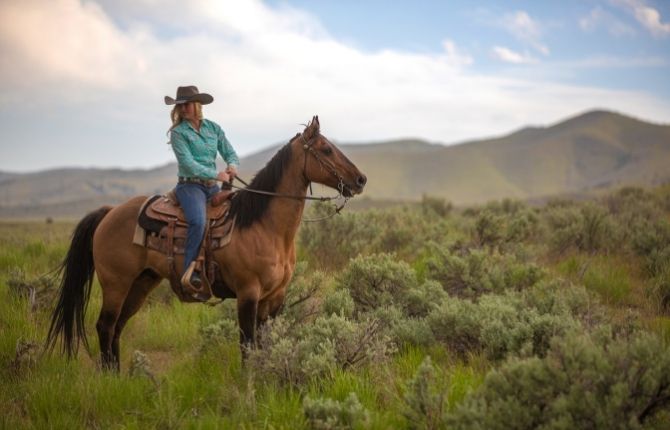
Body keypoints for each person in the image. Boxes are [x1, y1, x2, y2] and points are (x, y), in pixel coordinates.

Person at [165, 85, 240, 293]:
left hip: (211, 187)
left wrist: (232, 165)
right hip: (190, 186)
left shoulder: (213, 129)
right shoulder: (179, 133)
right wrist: (216, 174)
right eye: (180, 106)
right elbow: (188, 164)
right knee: (197, 221)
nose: (184, 109)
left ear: (197, 105)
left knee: (234, 213)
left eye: (187, 104)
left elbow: (230, 152)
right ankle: (190, 273)